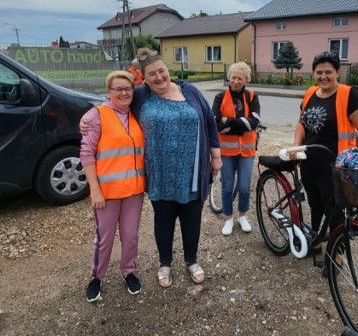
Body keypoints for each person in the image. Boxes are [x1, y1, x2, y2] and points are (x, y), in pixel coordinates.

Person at [81, 48, 221, 288]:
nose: (159, 77)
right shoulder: (140, 96)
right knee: (164, 219)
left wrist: (215, 156)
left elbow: (209, 121)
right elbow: (114, 101)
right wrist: (86, 118)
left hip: (192, 172)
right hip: (160, 173)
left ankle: (191, 260)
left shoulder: (191, 92)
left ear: (168, 70)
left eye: (161, 71)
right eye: (151, 74)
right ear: (143, 78)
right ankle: (164, 263)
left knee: (192, 219)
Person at [292, 51, 358, 255]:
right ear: (313, 74)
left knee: (335, 211)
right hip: (309, 161)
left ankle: (337, 254)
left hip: (336, 164)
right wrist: (296, 147)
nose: (323, 76)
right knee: (315, 204)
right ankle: (315, 242)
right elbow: (301, 123)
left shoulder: (348, 94)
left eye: (328, 72)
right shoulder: (310, 93)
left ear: (338, 73)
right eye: (319, 72)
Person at [80, 70, 146, 302]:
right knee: (104, 238)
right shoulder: (96, 115)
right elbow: (86, 154)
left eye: (127, 88)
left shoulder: (136, 114)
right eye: (117, 89)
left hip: (133, 191)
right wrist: (95, 190)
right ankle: (97, 277)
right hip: (107, 193)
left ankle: (129, 271)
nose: (123, 93)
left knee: (130, 236)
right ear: (108, 92)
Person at [212, 62, 261, 236]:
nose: (236, 81)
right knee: (226, 186)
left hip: (246, 151)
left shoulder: (252, 97)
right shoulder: (220, 97)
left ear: (246, 79)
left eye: (240, 78)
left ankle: (242, 216)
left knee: (244, 187)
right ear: (229, 78)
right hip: (226, 151)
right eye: (233, 77)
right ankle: (228, 219)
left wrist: (227, 120)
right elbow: (215, 124)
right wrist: (241, 124)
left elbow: (254, 122)